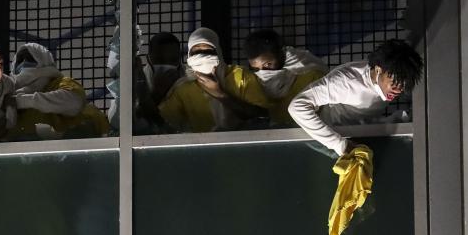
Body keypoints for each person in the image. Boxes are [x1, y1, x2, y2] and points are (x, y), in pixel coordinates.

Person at [288, 39, 423, 157]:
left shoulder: (389, 78)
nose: (397, 90)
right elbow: (296, 107)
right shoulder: (345, 82)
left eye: (402, 86)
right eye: (393, 83)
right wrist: (339, 144)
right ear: (378, 70)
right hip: (325, 139)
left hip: (359, 128)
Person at [157, 27, 270, 132]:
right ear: (189, 56)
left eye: (208, 52)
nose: (202, 57)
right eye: (196, 52)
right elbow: (163, 122)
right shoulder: (184, 87)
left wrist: (220, 94)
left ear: (219, 53)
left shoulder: (241, 76)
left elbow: (262, 115)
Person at [10, 42, 109, 139]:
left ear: (44, 60)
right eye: (20, 60)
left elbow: (74, 103)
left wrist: (25, 101)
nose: (24, 63)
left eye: (30, 59)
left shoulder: (61, 82)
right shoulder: (9, 93)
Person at [244, 29, 327, 126]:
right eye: (256, 69)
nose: (263, 73)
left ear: (281, 53)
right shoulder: (253, 82)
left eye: (268, 64)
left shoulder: (310, 72)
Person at [136, 32, 183, 128]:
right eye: (160, 60)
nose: (167, 64)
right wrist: (156, 93)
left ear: (179, 59)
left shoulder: (190, 77)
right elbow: (134, 120)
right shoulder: (138, 82)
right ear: (148, 58)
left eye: (173, 60)